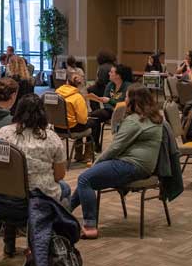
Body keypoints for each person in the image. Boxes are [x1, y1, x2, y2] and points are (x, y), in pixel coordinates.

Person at [70, 84, 163, 239]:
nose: (124, 100)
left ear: (134, 101)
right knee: (87, 179)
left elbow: (115, 148)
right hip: (145, 166)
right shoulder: (155, 118)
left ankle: (89, 226)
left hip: (131, 165)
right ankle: (63, 212)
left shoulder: (134, 121)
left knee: (85, 179)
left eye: (126, 97)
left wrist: (97, 162)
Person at [0, 93, 69, 203]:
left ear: (18, 111)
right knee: (65, 188)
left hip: (8, 195)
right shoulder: (52, 137)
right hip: (42, 197)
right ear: (43, 113)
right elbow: (59, 176)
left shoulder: (3, 133)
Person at [86, 64, 133, 150]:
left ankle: (91, 146)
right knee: (94, 119)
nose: (108, 73)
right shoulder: (110, 84)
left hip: (124, 112)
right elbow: (105, 101)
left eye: (111, 72)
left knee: (93, 116)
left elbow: (124, 103)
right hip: (110, 110)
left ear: (118, 75)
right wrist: (111, 106)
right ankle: (93, 145)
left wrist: (110, 101)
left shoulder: (128, 86)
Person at [55, 72, 92, 161]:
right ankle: (87, 154)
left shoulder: (56, 93)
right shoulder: (78, 97)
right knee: (92, 123)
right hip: (71, 129)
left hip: (57, 127)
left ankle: (78, 154)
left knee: (78, 122)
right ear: (79, 84)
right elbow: (82, 120)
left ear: (67, 81)